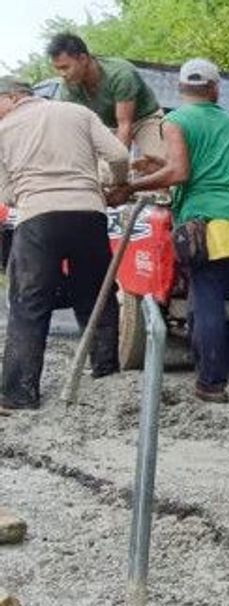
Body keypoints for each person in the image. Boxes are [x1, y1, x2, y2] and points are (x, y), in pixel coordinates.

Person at [106, 60, 229, 404]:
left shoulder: (175, 120)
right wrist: (159, 166)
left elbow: (180, 173)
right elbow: (207, 167)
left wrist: (130, 187)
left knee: (207, 302)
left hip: (203, 220)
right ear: (215, 88)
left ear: (180, 89)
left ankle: (212, 383)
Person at [0, 76, 127, 411]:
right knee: (96, 292)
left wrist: (28, 192)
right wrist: (115, 184)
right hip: (89, 213)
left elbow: (6, 192)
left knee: (29, 302)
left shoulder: (3, 130)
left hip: (37, 218)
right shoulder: (77, 112)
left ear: (12, 98)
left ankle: (19, 394)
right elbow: (117, 153)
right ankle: (105, 375)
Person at [47, 32, 165, 164]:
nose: (62, 74)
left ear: (83, 59)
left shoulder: (121, 74)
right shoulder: (68, 87)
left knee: (157, 164)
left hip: (144, 120)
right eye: (58, 69)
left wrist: (117, 164)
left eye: (65, 67)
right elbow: (74, 130)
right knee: (97, 172)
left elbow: (125, 125)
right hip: (109, 126)